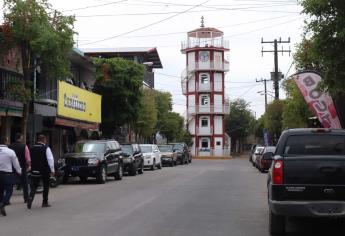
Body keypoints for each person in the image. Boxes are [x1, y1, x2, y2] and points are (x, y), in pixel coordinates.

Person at [27, 134, 55, 209]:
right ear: (44, 140)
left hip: (34, 170)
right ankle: (44, 202)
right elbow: (50, 160)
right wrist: (52, 170)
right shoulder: (46, 148)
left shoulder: (32, 148)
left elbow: (29, 160)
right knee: (46, 186)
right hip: (44, 171)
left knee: (34, 186)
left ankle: (30, 198)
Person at [0, 136, 21, 216]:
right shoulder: (10, 151)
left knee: (0, 191)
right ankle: (3, 203)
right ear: (6, 142)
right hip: (7, 174)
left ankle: (1, 203)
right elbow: (16, 163)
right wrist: (19, 171)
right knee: (9, 190)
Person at [9, 132, 31, 203]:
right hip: (22, 167)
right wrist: (29, 165)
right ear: (20, 138)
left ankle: (7, 200)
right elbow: (28, 158)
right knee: (25, 184)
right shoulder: (24, 146)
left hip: (12, 168)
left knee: (10, 184)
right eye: (22, 137)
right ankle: (26, 198)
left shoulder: (10, 146)